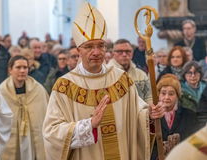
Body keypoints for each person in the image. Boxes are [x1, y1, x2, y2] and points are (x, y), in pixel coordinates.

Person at [42, 3, 165, 160]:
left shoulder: (122, 79)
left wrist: (150, 115)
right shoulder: (65, 86)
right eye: (89, 47)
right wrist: (88, 126)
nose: (96, 52)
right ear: (78, 50)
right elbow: (51, 132)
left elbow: (137, 114)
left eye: (101, 46)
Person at [0, 55, 48, 160]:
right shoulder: (1, 91)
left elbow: (46, 114)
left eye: (25, 67)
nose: (22, 70)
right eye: (18, 67)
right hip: (11, 138)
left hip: (33, 136)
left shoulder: (38, 90)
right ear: (10, 70)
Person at [151, 74, 198, 159]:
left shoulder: (190, 115)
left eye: (171, 94)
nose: (166, 97)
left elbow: (195, 143)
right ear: (158, 95)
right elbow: (148, 145)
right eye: (163, 93)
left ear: (177, 96)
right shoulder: (151, 117)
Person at [108, 39, 152, 104]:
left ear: (132, 53)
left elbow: (149, 97)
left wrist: (150, 109)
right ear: (113, 53)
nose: (124, 54)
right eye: (120, 51)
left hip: (140, 113)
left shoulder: (141, 74)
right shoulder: (106, 73)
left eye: (128, 51)